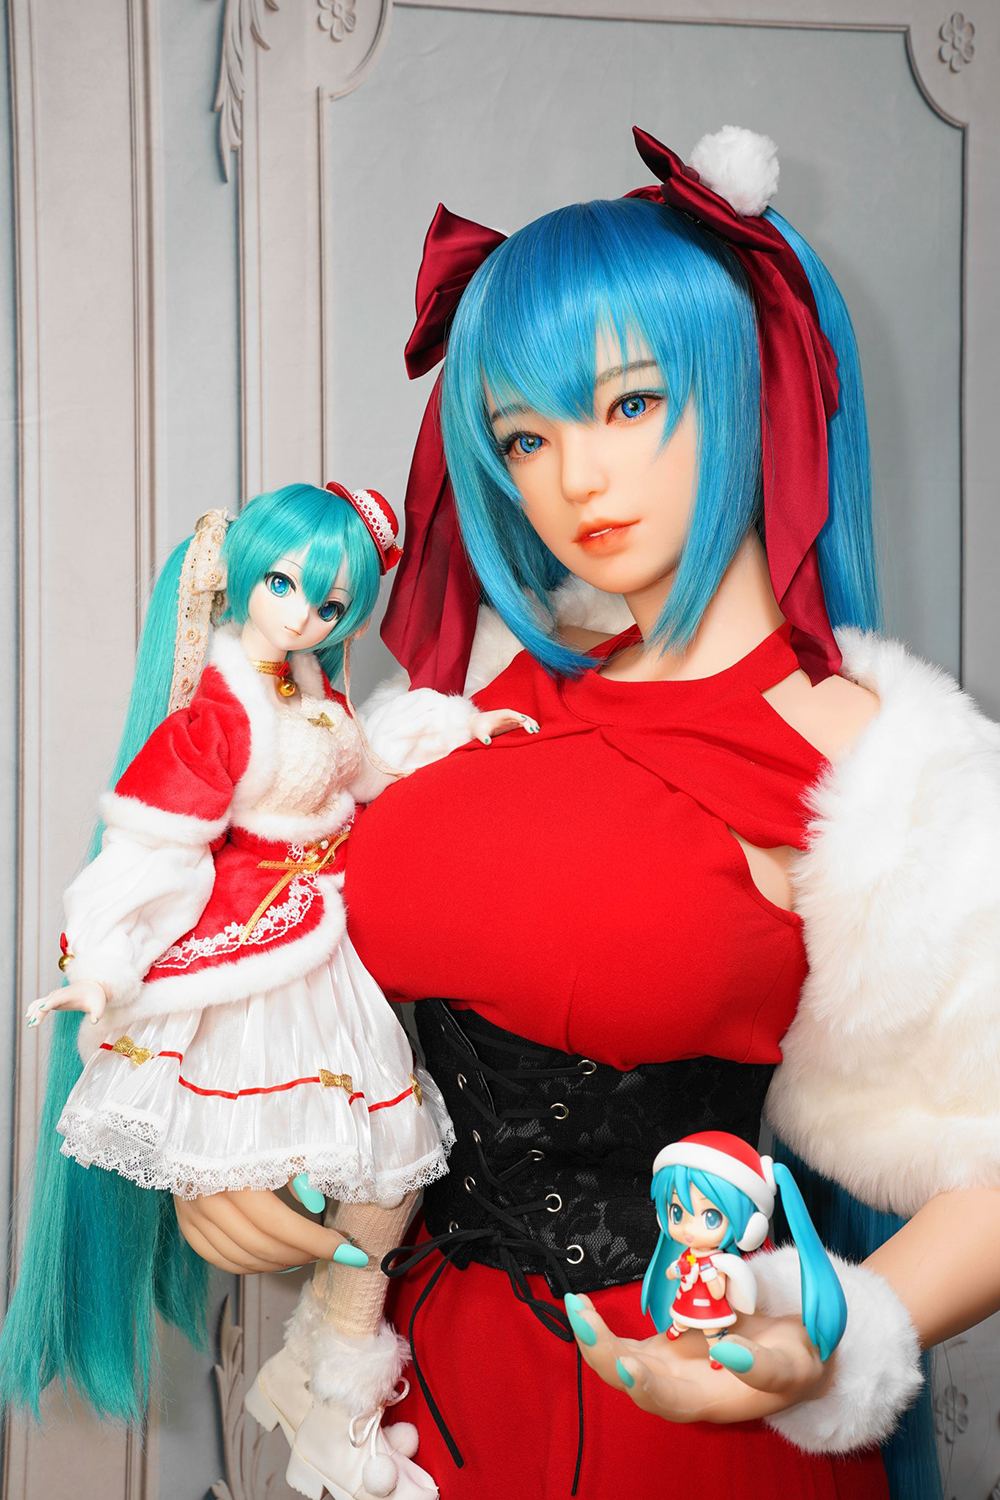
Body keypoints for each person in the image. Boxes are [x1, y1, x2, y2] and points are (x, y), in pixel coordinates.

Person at [171, 127, 1000, 1500]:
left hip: (677, 1408)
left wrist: (836, 1335)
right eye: (526, 436)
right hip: (407, 1406)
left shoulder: (874, 759)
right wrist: (233, 1156)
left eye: (630, 405)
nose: (575, 479)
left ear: (748, 382)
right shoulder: (473, 706)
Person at [2, 482, 536, 1500]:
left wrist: (462, 731)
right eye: (285, 586)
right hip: (257, 957)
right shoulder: (221, 713)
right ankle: (330, 1386)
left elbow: (369, 769)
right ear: (242, 576)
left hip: (327, 946)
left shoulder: (310, 691)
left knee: (390, 1171)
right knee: (358, 1175)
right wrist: (100, 966)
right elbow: (155, 847)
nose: (304, 615)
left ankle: (324, 1375)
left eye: (331, 604)